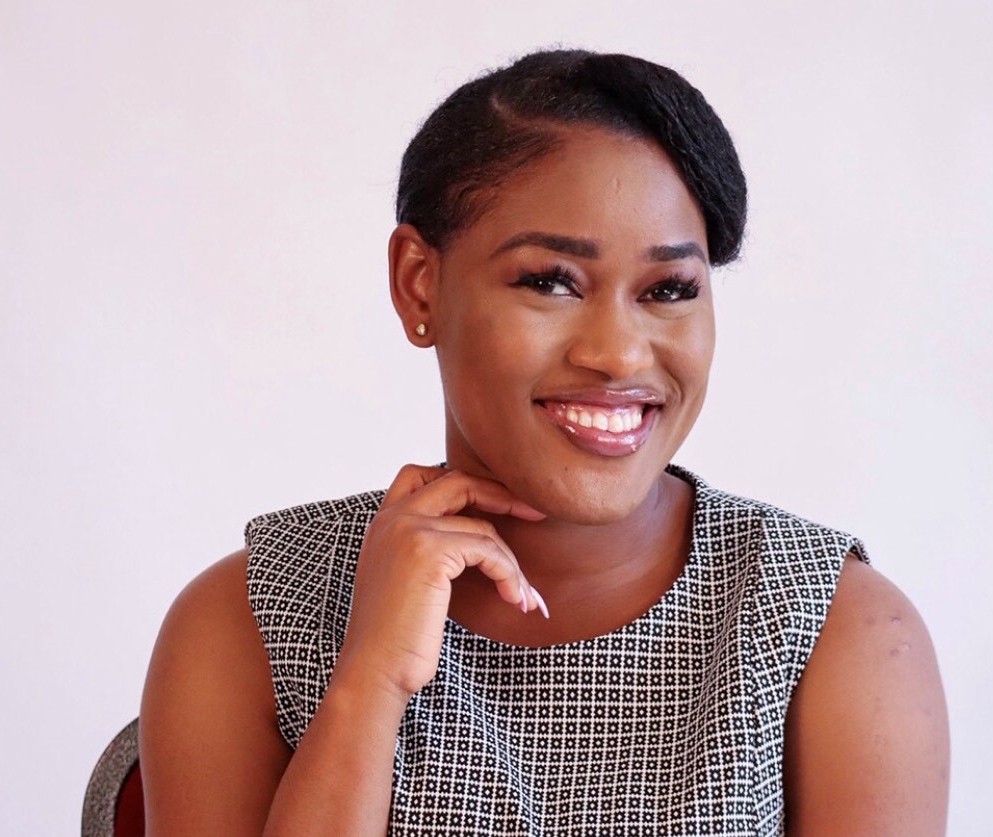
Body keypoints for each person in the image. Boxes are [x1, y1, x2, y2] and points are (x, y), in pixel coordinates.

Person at [139, 50, 949, 835]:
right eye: (550, 281)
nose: (619, 353)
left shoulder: (831, 631)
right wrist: (368, 684)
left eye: (668, 290)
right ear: (419, 282)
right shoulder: (248, 618)